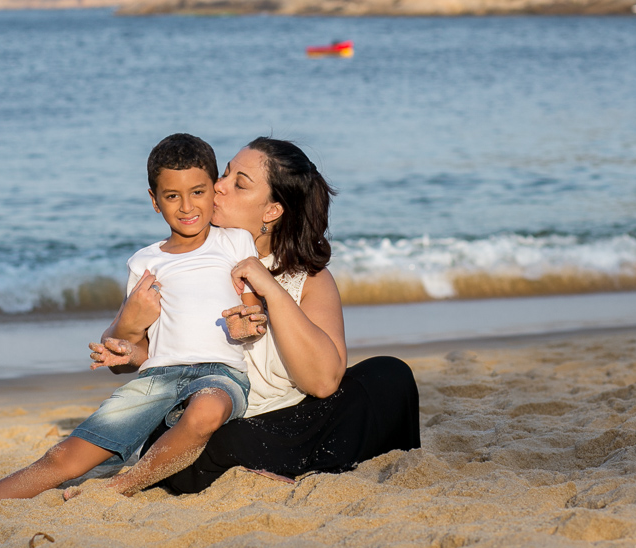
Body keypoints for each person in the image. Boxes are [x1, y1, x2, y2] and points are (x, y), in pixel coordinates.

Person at [0, 133, 266, 517]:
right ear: (154, 201)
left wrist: (249, 325)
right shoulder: (145, 262)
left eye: (198, 192)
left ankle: (119, 486)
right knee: (63, 455)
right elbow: (145, 348)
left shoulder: (235, 242)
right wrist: (123, 349)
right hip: (158, 376)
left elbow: (254, 314)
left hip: (221, 375)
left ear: (213, 192)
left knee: (205, 413)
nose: (187, 206)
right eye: (172, 196)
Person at [90, 137, 421, 492]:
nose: (218, 186)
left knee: (390, 376)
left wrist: (270, 288)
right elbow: (130, 359)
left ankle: (293, 470)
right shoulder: (192, 256)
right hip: (217, 423)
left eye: (238, 183)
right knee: (206, 435)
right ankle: (292, 467)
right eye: (225, 174)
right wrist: (125, 322)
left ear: (271, 211)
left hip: (289, 419)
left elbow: (323, 383)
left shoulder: (309, 279)